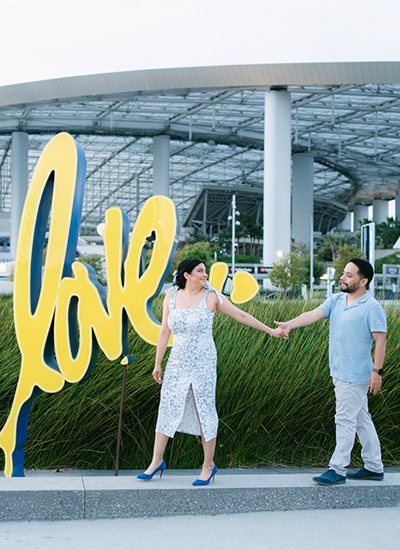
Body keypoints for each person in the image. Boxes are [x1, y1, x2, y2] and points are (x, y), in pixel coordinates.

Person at [137, 258, 285, 486]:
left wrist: (269, 331)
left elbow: (240, 315)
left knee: (203, 409)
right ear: (186, 275)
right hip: (177, 361)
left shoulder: (212, 296)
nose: (205, 275)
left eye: (205, 271)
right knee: (167, 406)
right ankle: (156, 461)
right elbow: (165, 331)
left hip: (203, 362)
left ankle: (208, 465)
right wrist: (158, 364)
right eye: (200, 271)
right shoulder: (171, 296)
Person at [274, 258, 387, 486]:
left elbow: (381, 341)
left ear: (363, 281)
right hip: (338, 370)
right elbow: (313, 314)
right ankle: (374, 467)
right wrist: (289, 324)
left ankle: (337, 469)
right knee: (361, 419)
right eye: (344, 273)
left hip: (355, 375)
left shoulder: (372, 307)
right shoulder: (336, 300)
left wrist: (377, 372)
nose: (343, 278)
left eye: (349, 275)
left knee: (345, 419)